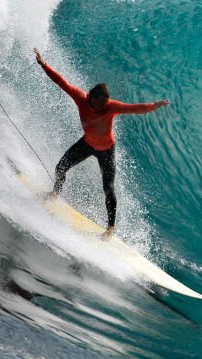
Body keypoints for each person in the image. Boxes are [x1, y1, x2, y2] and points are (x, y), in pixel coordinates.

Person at [34, 48, 169, 240]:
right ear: (92, 97)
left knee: (108, 188)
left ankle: (110, 229)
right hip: (87, 143)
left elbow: (135, 109)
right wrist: (44, 65)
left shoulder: (111, 106)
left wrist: (153, 106)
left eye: (107, 103)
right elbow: (62, 82)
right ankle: (54, 194)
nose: (105, 107)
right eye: (102, 103)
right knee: (60, 168)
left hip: (106, 150)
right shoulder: (81, 98)